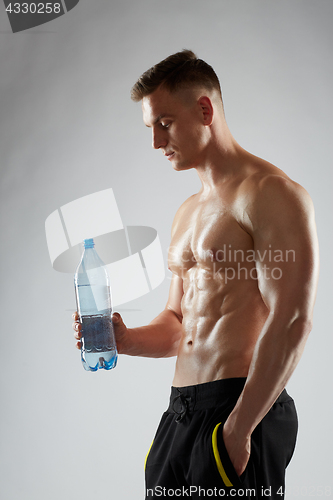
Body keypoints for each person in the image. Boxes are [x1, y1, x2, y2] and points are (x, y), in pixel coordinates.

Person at [73, 50, 319, 499]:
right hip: (181, 413)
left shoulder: (271, 194)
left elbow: (292, 319)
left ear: (204, 110)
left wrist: (239, 430)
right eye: (150, 127)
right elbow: (177, 325)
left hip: (237, 410)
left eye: (164, 123)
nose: (155, 142)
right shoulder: (187, 213)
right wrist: (126, 340)